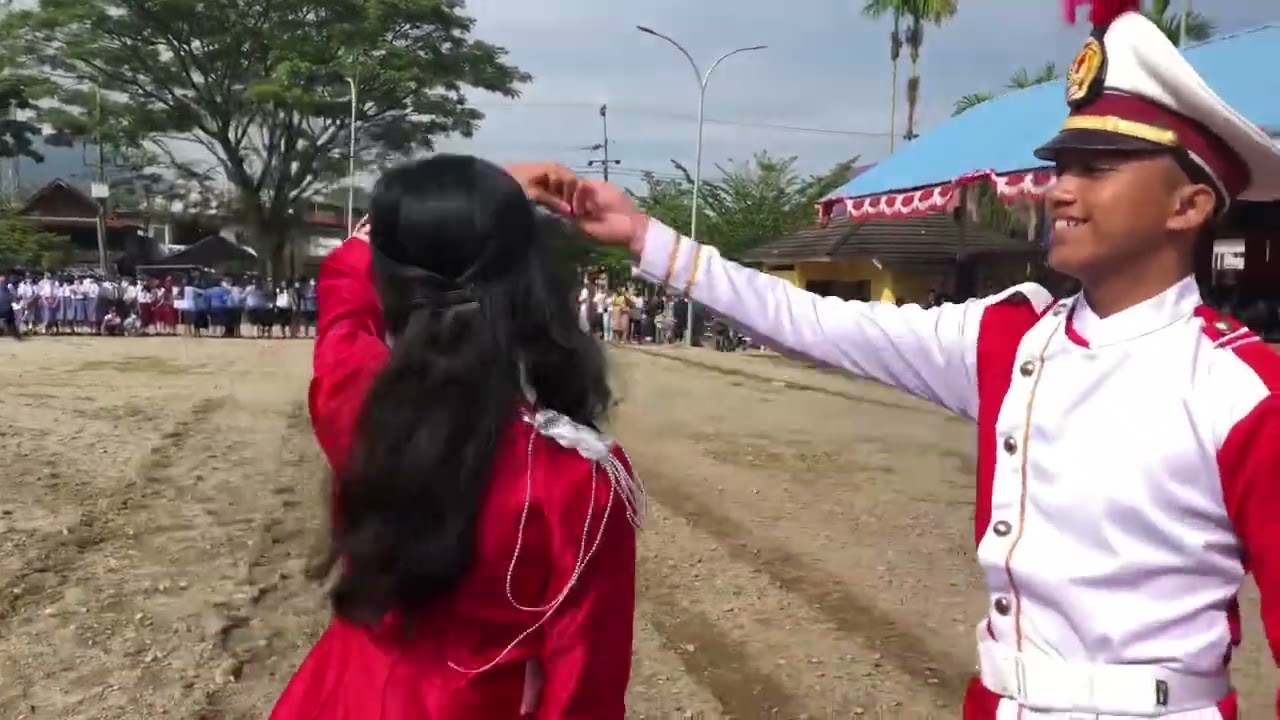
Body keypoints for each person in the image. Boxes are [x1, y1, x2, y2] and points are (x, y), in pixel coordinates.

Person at [563, 6, 1280, 718]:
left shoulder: (1241, 391)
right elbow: (810, 322)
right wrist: (644, 237)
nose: (1060, 189)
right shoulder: (1011, 340)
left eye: (1098, 169)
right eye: (1061, 165)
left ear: (1186, 206)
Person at [270, 155, 640, 720]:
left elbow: (345, 297)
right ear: (529, 280)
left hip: (335, 700)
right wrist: (490, 207)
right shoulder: (579, 478)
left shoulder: (358, 402)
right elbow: (583, 685)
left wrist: (464, 203)